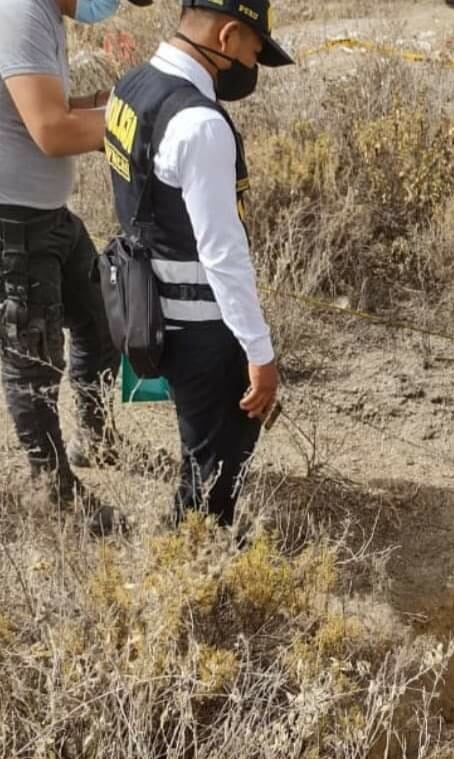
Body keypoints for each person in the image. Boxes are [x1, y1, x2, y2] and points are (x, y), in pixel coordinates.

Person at [104, 0, 292, 526]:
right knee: (216, 463)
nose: (248, 67)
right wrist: (259, 352)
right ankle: (199, 561)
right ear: (228, 36)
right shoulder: (200, 124)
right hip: (199, 327)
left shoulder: (132, 85)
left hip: (145, 305)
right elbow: (222, 252)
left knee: (198, 443)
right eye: (251, 53)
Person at [1, 0, 153, 535]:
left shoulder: (42, 16)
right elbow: (53, 130)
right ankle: (56, 495)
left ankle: (96, 436)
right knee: (34, 361)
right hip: (13, 224)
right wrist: (142, 122)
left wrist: (112, 102)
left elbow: (52, 106)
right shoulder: (18, 13)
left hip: (49, 215)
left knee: (98, 320)